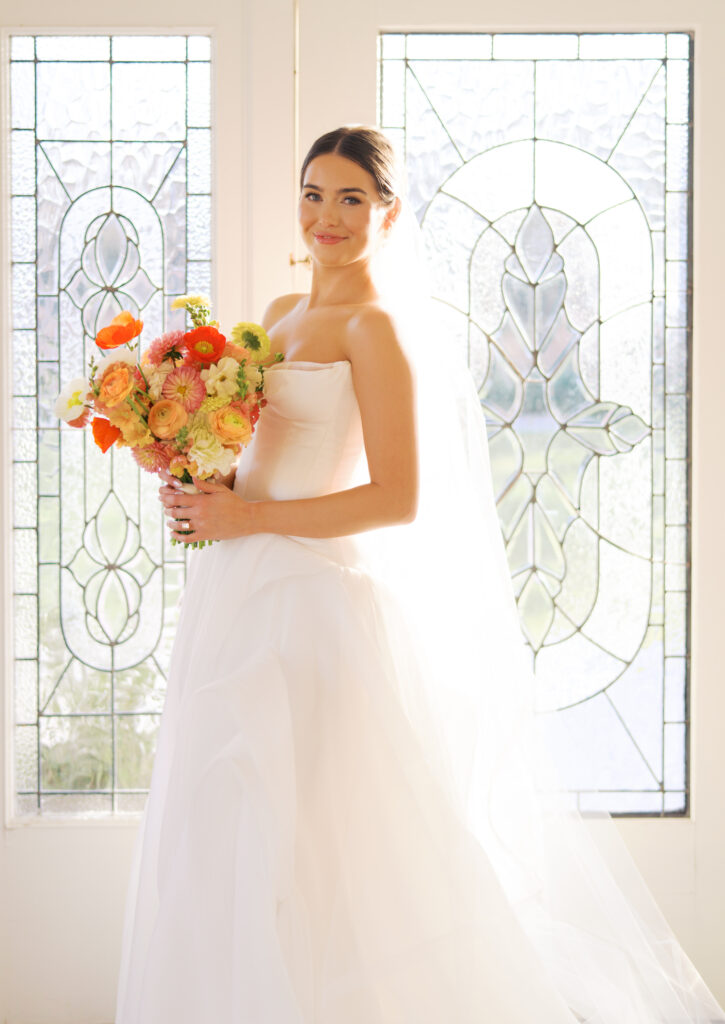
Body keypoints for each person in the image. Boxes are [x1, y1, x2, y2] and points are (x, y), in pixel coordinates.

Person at [115, 126, 725, 1023]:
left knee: (319, 848)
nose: (327, 215)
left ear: (389, 214)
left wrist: (251, 516)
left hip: (312, 606)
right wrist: (210, 485)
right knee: (225, 828)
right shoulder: (279, 314)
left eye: (351, 199)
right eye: (314, 193)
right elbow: (268, 457)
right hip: (238, 592)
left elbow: (396, 497)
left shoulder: (377, 329)